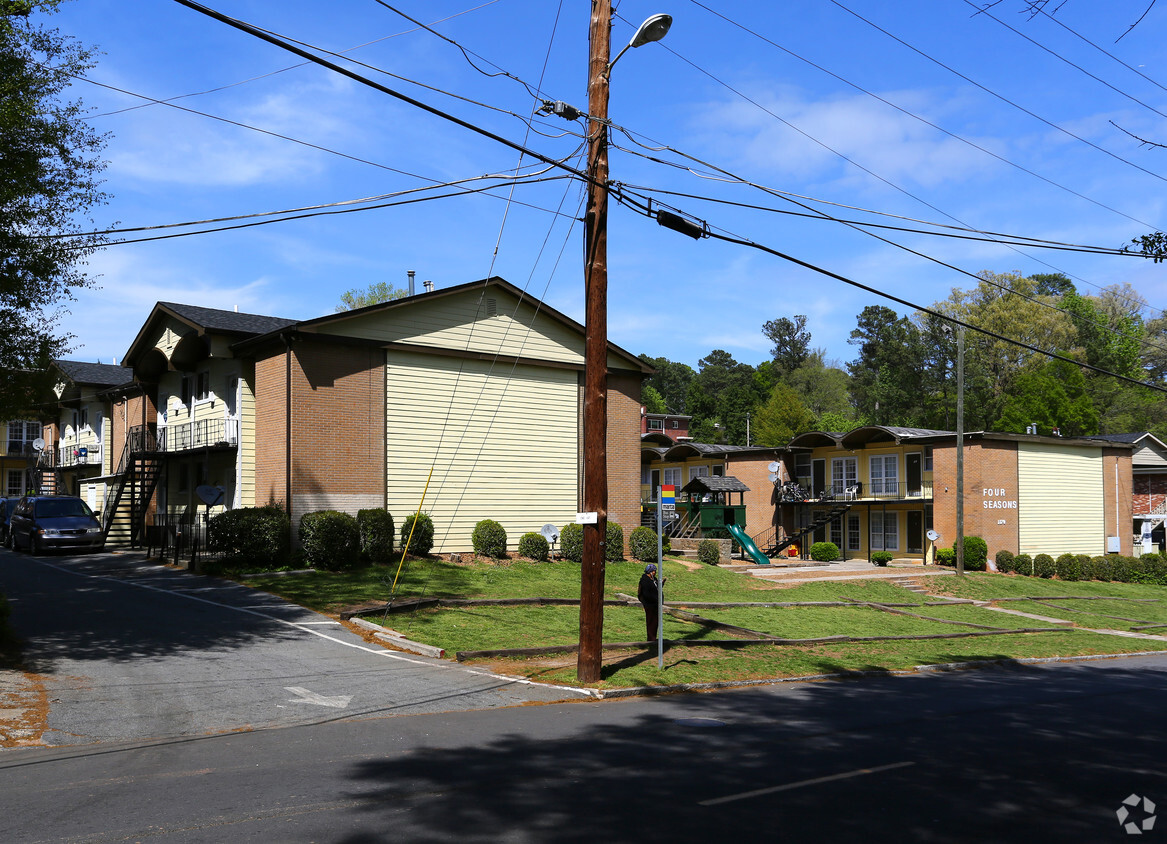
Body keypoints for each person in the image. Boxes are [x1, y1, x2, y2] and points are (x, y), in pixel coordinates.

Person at [638, 563, 663, 641]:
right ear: (650, 572)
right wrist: (654, 599)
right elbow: (646, 594)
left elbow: (656, 589)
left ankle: (653, 637)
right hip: (650, 604)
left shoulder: (653, 579)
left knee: (655, 622)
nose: (655, 572)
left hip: (655, 604)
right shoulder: (645, 581)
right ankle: (651, 638)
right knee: (651, 621)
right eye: (654, 571)